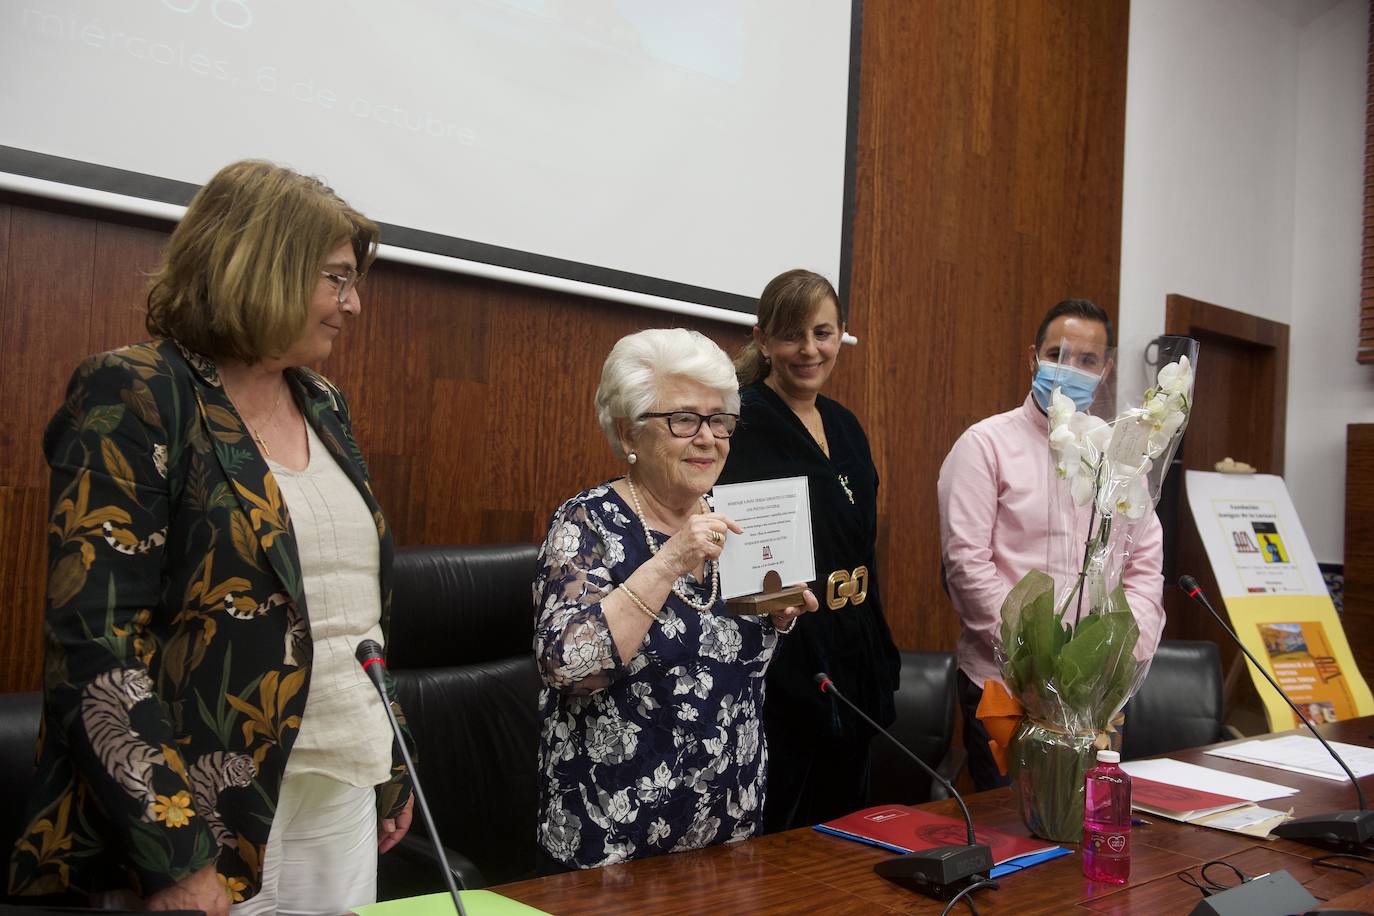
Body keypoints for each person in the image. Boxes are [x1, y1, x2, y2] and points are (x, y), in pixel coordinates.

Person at [8, 160, 412, 913]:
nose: (353, 305)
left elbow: (352, 606)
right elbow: (96, 637)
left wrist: (391, 763)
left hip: (340, 782)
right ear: (267, 269)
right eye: (336, 279)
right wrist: (173, 853)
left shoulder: (323, 403)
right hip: (202, 805)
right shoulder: (136, 392)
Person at [534, 328, 818, 870]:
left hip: (728, 836)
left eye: (720, 420)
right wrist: (669, 561)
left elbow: (726, 671)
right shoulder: (587, 523)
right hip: (612, 845)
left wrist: (777, 621)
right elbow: (567, 667)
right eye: (684, 420)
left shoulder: (734, 519)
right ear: (629, 432)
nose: (708, 438)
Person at [937, 298, 1165, 791]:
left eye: (1087, 361)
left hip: (1097, 697)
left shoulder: (1121, 454)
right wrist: (1037, 664)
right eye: (1059, 354)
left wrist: (1116, 661)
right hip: (1006, 687)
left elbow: (1143, 568)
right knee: (1012, 838)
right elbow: (966, 565)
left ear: (1105, 371)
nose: (1071, 369)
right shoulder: (985, 445)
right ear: (1033, 358)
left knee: (1082, 829)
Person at [717, 269, 900, 832]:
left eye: (823, 333)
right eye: (792, 334)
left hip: (855, 647)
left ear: (841, 335)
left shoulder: (845, 424)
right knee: (787, 835)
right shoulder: (739, 424)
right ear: (764, 340)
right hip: (786, 657)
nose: (809, 349)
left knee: (852, 831)